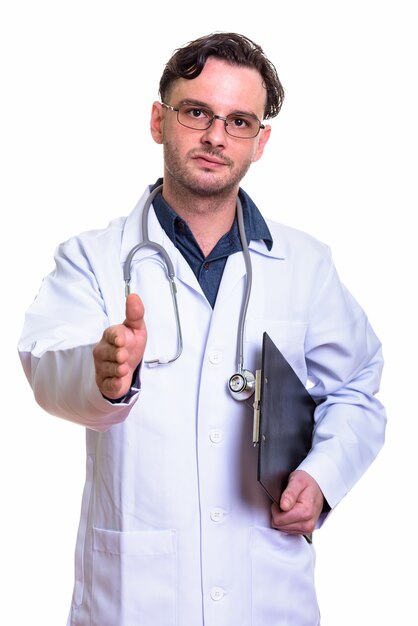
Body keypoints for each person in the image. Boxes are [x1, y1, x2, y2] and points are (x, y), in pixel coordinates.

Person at [18, 32, 386, 626]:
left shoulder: (306, 265)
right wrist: (102, 371)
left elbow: (357, 391)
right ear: (160, 121)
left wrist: (321, 477)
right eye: (197, 113)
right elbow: (45, 364)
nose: (217, 136)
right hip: (135, 596)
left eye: (239, 121)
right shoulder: (93, 257)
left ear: (260, 141)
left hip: (267, 593)